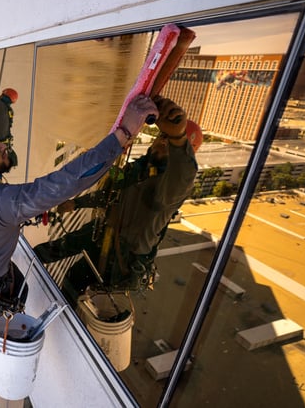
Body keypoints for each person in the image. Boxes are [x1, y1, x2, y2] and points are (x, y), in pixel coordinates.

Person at [0, 94, 158, 317]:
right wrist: (123, 134)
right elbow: (67, 182)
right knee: (21, 292)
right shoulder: (5, 204)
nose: (3, 145)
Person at [33, 97, 201, 305]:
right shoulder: (139, 169)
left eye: (170, 142)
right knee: (48, 254)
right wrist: (77, 203)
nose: (163, 142)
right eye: (163, 136)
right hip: (103, 233)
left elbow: (184, 174)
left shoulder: (168, 188)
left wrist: (178, 137)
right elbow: (111, 194)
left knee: (73, 280)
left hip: (121, 258)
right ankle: (17, 271)